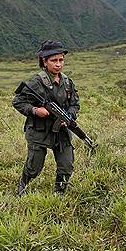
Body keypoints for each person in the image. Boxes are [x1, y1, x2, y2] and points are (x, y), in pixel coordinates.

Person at [12, 40, 80, 195]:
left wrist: (69, 115)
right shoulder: (36, 82)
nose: (58, 64)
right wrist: (36, 110)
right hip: (39, 131)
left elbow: (75, 104)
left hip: (61, 131)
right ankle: (24, 183)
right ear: (44, 61)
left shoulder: (67, 82)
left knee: (66, 165)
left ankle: (59, 192)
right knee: (34, 166)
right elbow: (18, 101)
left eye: (61, 60)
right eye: (54, 60)